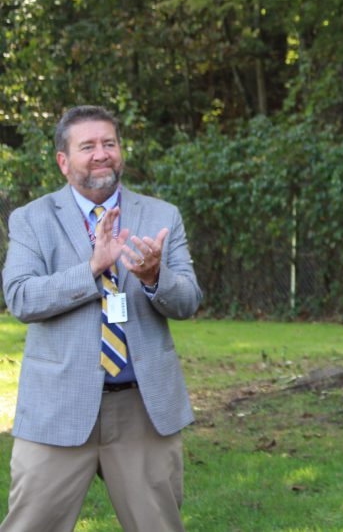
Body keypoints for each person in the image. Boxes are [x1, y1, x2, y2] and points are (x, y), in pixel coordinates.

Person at [0, 105, 202, 532]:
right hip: (58, 408)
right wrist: (91, 269)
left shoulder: (161, 216)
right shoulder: (31, 220)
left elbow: (187, 301)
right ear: (63, 161)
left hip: (142, 410)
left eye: (108, 143)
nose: (100, 154)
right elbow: (20, 298)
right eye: (87, 146)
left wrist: (154, 277)